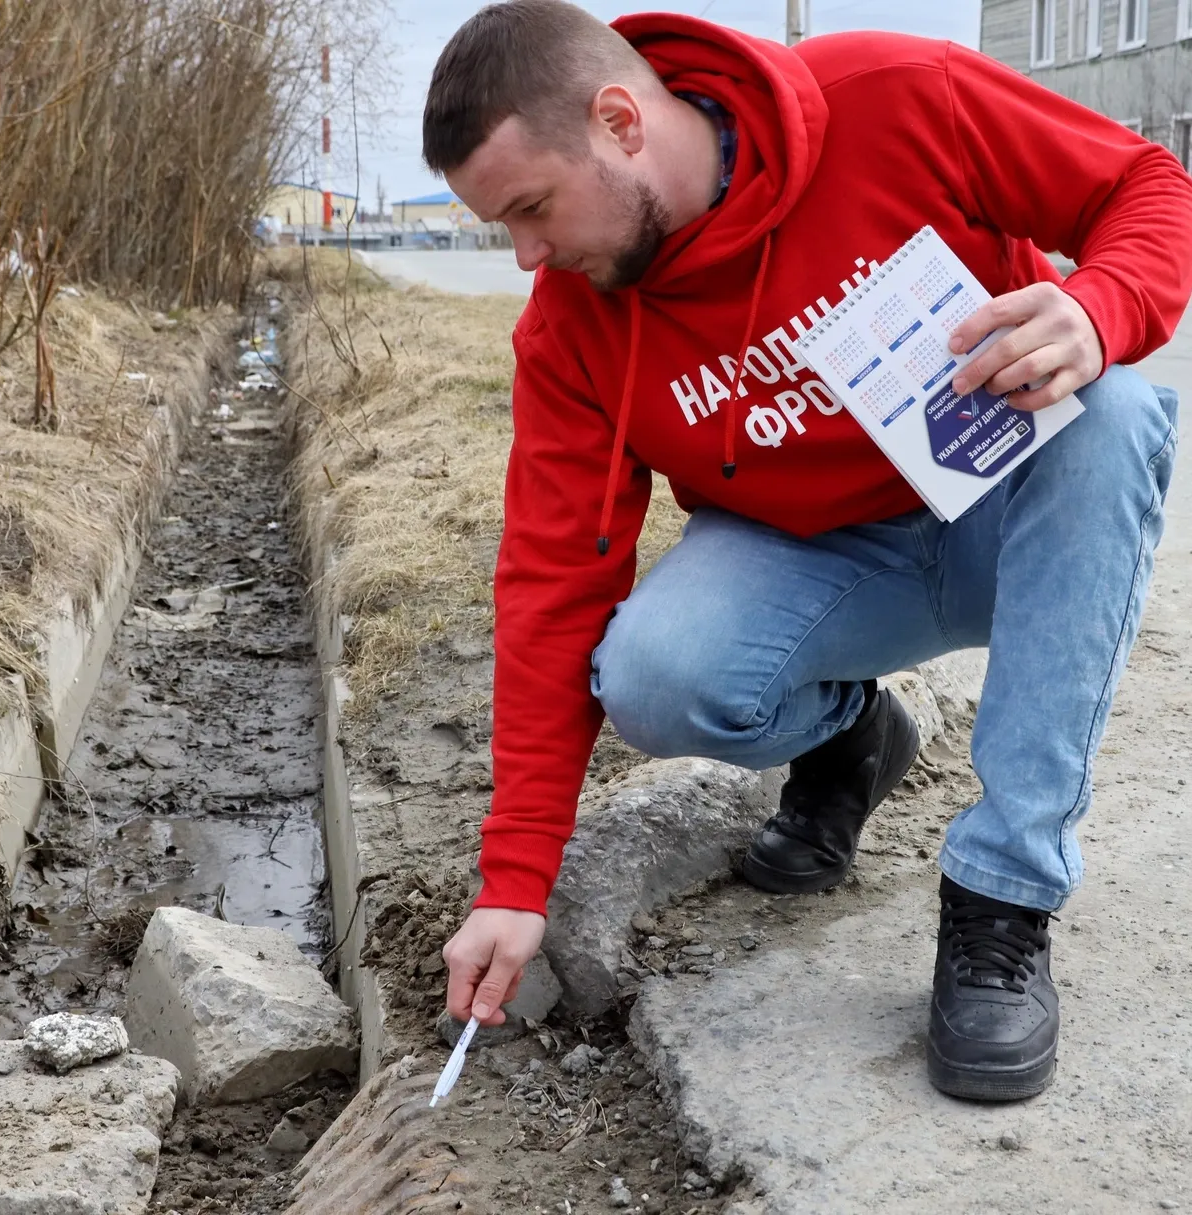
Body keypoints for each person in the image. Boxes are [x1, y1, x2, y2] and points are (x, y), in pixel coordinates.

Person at [420, 0, 1192, 1100]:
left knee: (1114, 413)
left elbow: (1149, 186)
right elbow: (551, 584)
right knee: (651, 673)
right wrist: (514, 877)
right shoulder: (572, 322)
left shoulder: (897, 98)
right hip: (823, 570)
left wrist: (1101, 305)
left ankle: (1002, 902)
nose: (526, 254)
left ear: (619, 121)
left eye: (533, 208)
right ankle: (851, 737)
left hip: (1006, 530)